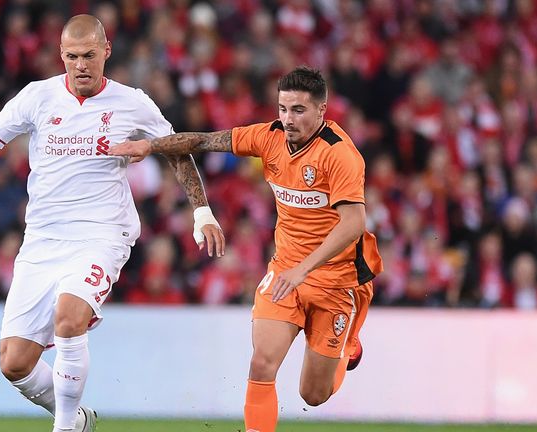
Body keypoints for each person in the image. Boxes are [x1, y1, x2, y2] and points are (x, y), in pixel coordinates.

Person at [0, 15, 224, 432]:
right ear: (60, 56)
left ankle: (64, 428)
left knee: (70, 315)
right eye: (71, 57)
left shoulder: (131, 102)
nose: (80, 65)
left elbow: (176, 149)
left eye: (88, 55)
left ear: (106, 52)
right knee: (13, 364)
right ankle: (78, 419)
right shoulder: (37, 97)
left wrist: (201, 210)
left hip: (102, 233)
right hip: (43, 239)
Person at [109, 66, 383, 432]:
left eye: (298, 110)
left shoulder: (339, 155)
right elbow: (203, 141)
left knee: (313, 395)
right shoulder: (268, 137)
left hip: (336, 281)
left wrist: (306, 268)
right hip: (285, 271)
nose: (287, 118)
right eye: (283, 108)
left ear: (322, 110)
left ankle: (348, 345)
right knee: (261, 365)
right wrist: (151, 145)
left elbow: (353, 224)